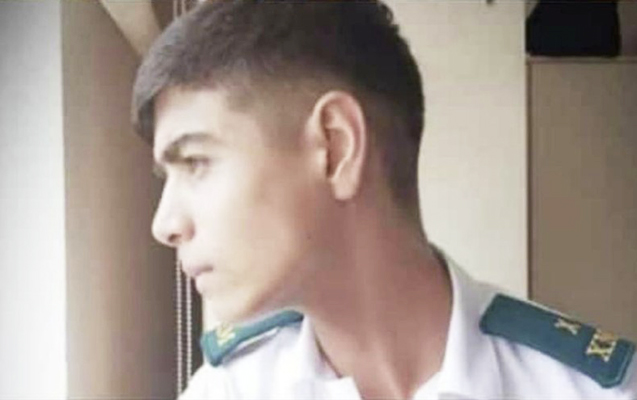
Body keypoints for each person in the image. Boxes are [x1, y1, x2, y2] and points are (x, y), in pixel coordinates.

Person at [131, 1, 636, 398]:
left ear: (335, 147)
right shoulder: (228, 390)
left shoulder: (590, 391)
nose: (164, 223)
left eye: (195, 162)